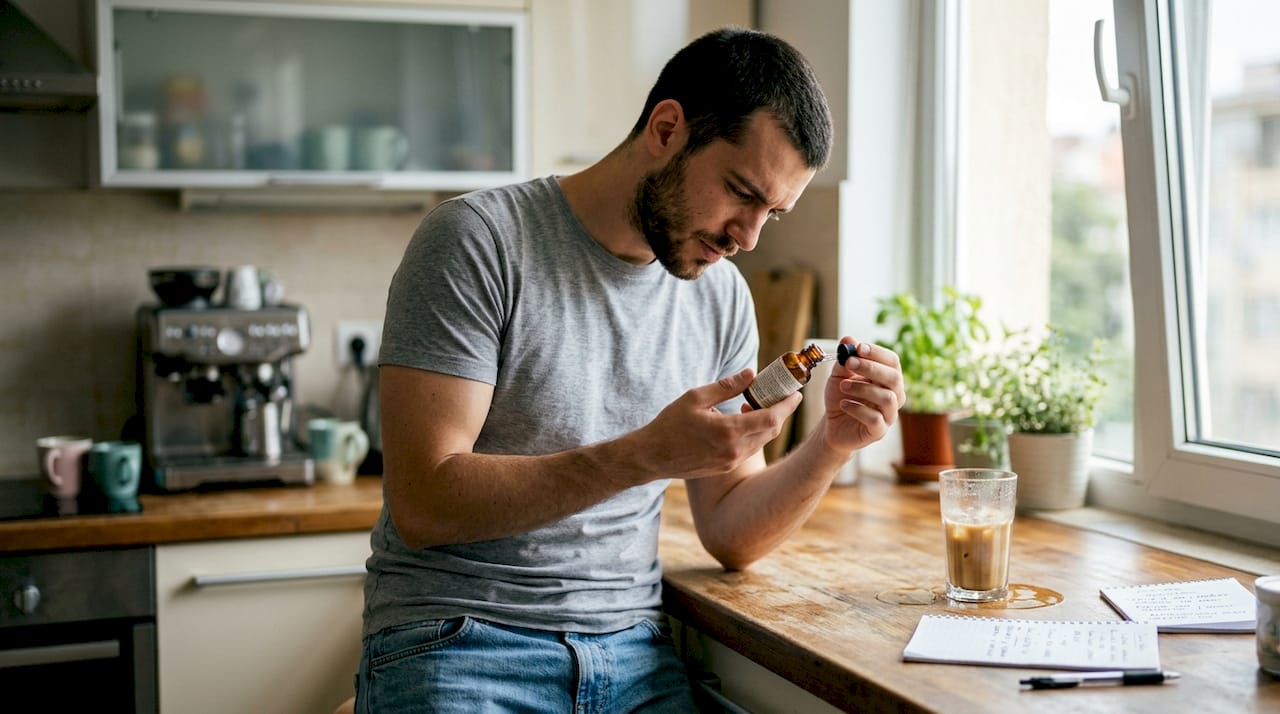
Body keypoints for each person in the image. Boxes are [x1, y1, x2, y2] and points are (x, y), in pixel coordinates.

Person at [356, 27, 906, 713]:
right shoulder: (478, 240)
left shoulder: (719, 292)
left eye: (773, 212)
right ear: (668, 128)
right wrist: (643, 455)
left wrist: (832, 445)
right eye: (741, 192)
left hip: (634, 660)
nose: (749, 237)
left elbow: (731, 530)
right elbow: (424, 503)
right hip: (461, 641)